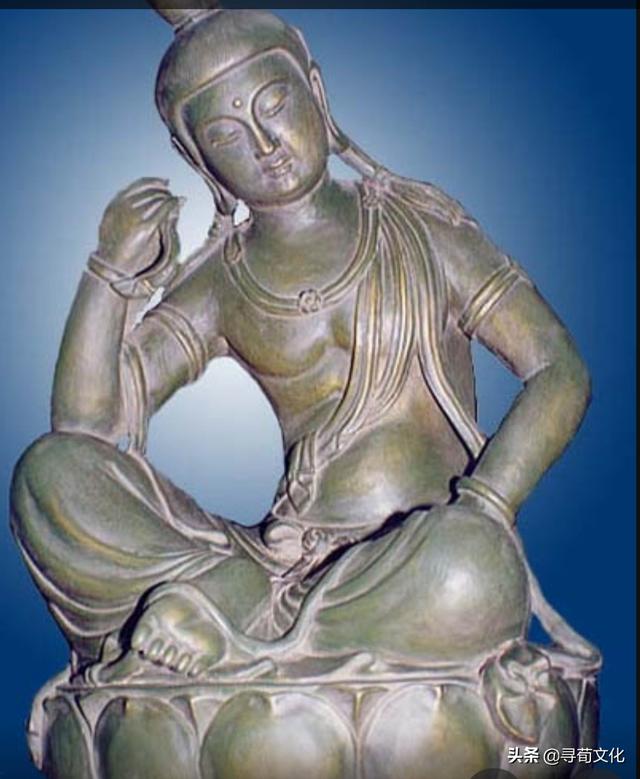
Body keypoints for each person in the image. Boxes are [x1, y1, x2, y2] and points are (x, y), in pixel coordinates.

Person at [11, 6, 596, 685]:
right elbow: (87, 426)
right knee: (48, 475)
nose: (266, 144)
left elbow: (558, 368)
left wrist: (487, 505)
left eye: (275, 105)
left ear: (316, 92)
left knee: (470, 568)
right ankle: (247, 608)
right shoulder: (220, 281)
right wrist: (108, 275)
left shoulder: (422, 231)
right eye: (227, 134)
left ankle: (243, 625)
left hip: (414, 554)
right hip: (278, 557)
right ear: (198, 158)